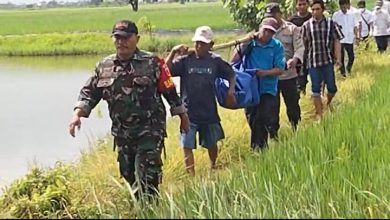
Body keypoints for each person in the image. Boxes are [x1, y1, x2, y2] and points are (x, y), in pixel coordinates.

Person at [68, 20, 190, 198]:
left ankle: (149, 211)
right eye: (117, 37)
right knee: (129, 176)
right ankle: (142, 208)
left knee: (148, 181)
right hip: (122, 134)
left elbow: (170, 91)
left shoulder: (153, 63)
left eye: (125, 38)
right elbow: (89, 93)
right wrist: (77, 115)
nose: (121, 42)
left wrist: (182, 116)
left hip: (149, 132)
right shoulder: (104, 66)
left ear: (137, 39)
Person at [165, 26, 236, 176]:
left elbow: (231, 74)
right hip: (189, 112)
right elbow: (166, 72)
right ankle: (190, 174)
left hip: (208, 110)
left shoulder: (215, 61)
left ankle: (213, 166)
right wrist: (173, 53)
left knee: (211, 143)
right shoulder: (185, 60)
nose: (198, 46)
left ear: (210, 45)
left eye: (203, 43)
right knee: (187, 144)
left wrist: (231, 91)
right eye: (197, 43)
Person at [232, 17, 285, 151]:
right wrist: (246, 42)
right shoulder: (249, 43)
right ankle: (260, 145)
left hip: (267, 88)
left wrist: (264, 73)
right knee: (252, 117)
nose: (267, 34)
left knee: (263, 116)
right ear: (260, 28)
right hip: (249, 88)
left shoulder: (277, 46)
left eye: (271, 32)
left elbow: (280, 69)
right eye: (265, 30)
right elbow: (234, 60)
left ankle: (258, 148)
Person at [301, 0, 343, 121]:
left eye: (317, 9)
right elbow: (303, 44)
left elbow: (337, 40)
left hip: (327, 61)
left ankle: (327, 103)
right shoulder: (306, 25)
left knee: (332, 88)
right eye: (313, 9)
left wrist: (338, 58)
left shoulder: (331, 23)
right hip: (313, 62)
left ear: (323, 10)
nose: (315, 12)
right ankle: (319, 115)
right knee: (315, 89)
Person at [265, 2, 304, 131]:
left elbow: (299, 47)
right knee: (271, 108)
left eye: (273, 15)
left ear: (279, 14)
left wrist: (295, 59)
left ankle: (296, 129)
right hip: (271, 77)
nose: (271, 19)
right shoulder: (264, 30)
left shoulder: (291, 29)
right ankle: (273, 134)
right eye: (268, 16)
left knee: (292, 105)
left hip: (289, 75)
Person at [289, 0, 312, 95]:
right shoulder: (291, 20)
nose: (302, 6)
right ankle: (301, 93)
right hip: (297, 53)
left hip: (311, 51)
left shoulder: (312, 17)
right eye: (300, 4)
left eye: (304, 4)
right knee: (299, 77)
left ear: (308, 5)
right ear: (296, 6)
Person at [332, 0, 360, 76]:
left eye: (345, 5)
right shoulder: (336, 15)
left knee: (351, 56)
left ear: (348, 5)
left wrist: (357, 37)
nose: (343, 8)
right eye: (342, 6)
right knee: (341, 57)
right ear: (340, 6)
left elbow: (355, 26)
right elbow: (333, 27)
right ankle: (343, 73)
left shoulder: (352, 14)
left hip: (349, 38)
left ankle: (349, 68)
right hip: (340, 40)